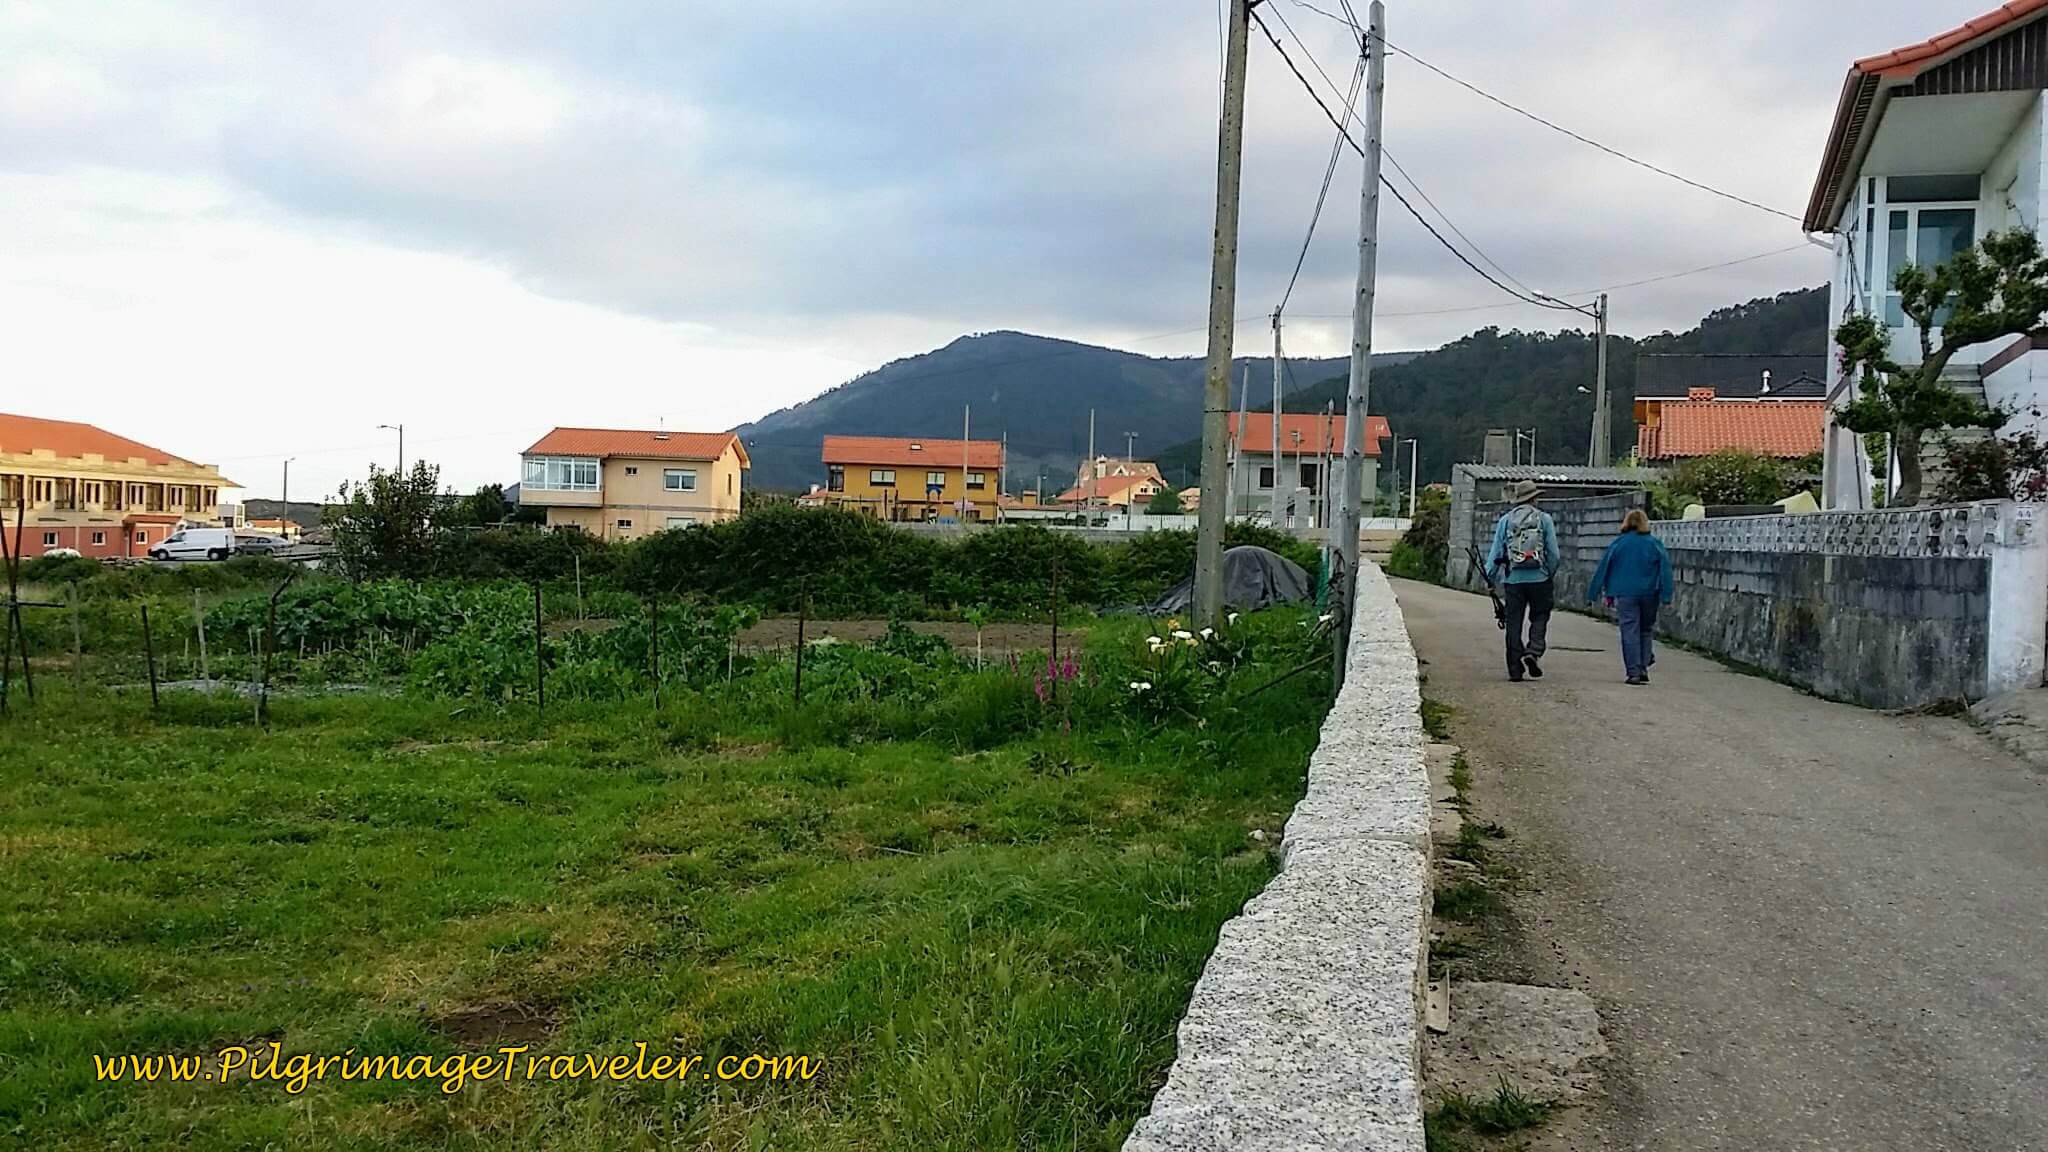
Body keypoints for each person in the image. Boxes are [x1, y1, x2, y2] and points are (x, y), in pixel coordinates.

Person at [1586, 507, 1674, 686]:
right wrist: (1666, 594)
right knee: (1645, 629)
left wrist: (1593, 593)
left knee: (1629, 631)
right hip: (1650, 593)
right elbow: (1665, 570)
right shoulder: (1654, 543)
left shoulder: (1618, 544)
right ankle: (1642, 668)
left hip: (1625, 593)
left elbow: (1604, 568)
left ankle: (1633, 671)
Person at [1483, 479, 1558, 682]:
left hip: (1513, 579)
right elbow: (1554, 554)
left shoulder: (1505, 521)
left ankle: (1515, 669)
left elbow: (1496, 554)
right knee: (1540, 616)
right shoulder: (1544, 520)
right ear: (1535, 498)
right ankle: (1533, 651)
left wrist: (1490, 578)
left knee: (1513, 622)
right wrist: (1548, 573)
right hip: (1539, 578)